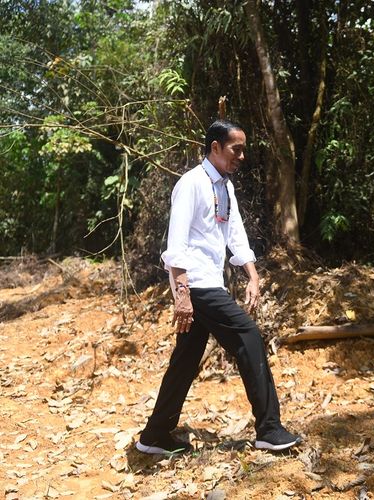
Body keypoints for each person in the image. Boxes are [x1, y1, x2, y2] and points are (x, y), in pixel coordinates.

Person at [136, 119, 301, 454]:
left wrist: (252, 275)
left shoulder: (225, 187)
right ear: (215, 148)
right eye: (235, 149)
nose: (241, 156)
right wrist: (182, 294)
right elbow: (176, 243)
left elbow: (236, 235)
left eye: (243, 150)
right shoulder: (191, 184)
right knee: (248, 337)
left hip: (209, 282)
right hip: (196, 284)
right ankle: (269, 428)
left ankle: (154, 436)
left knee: (186, 358)